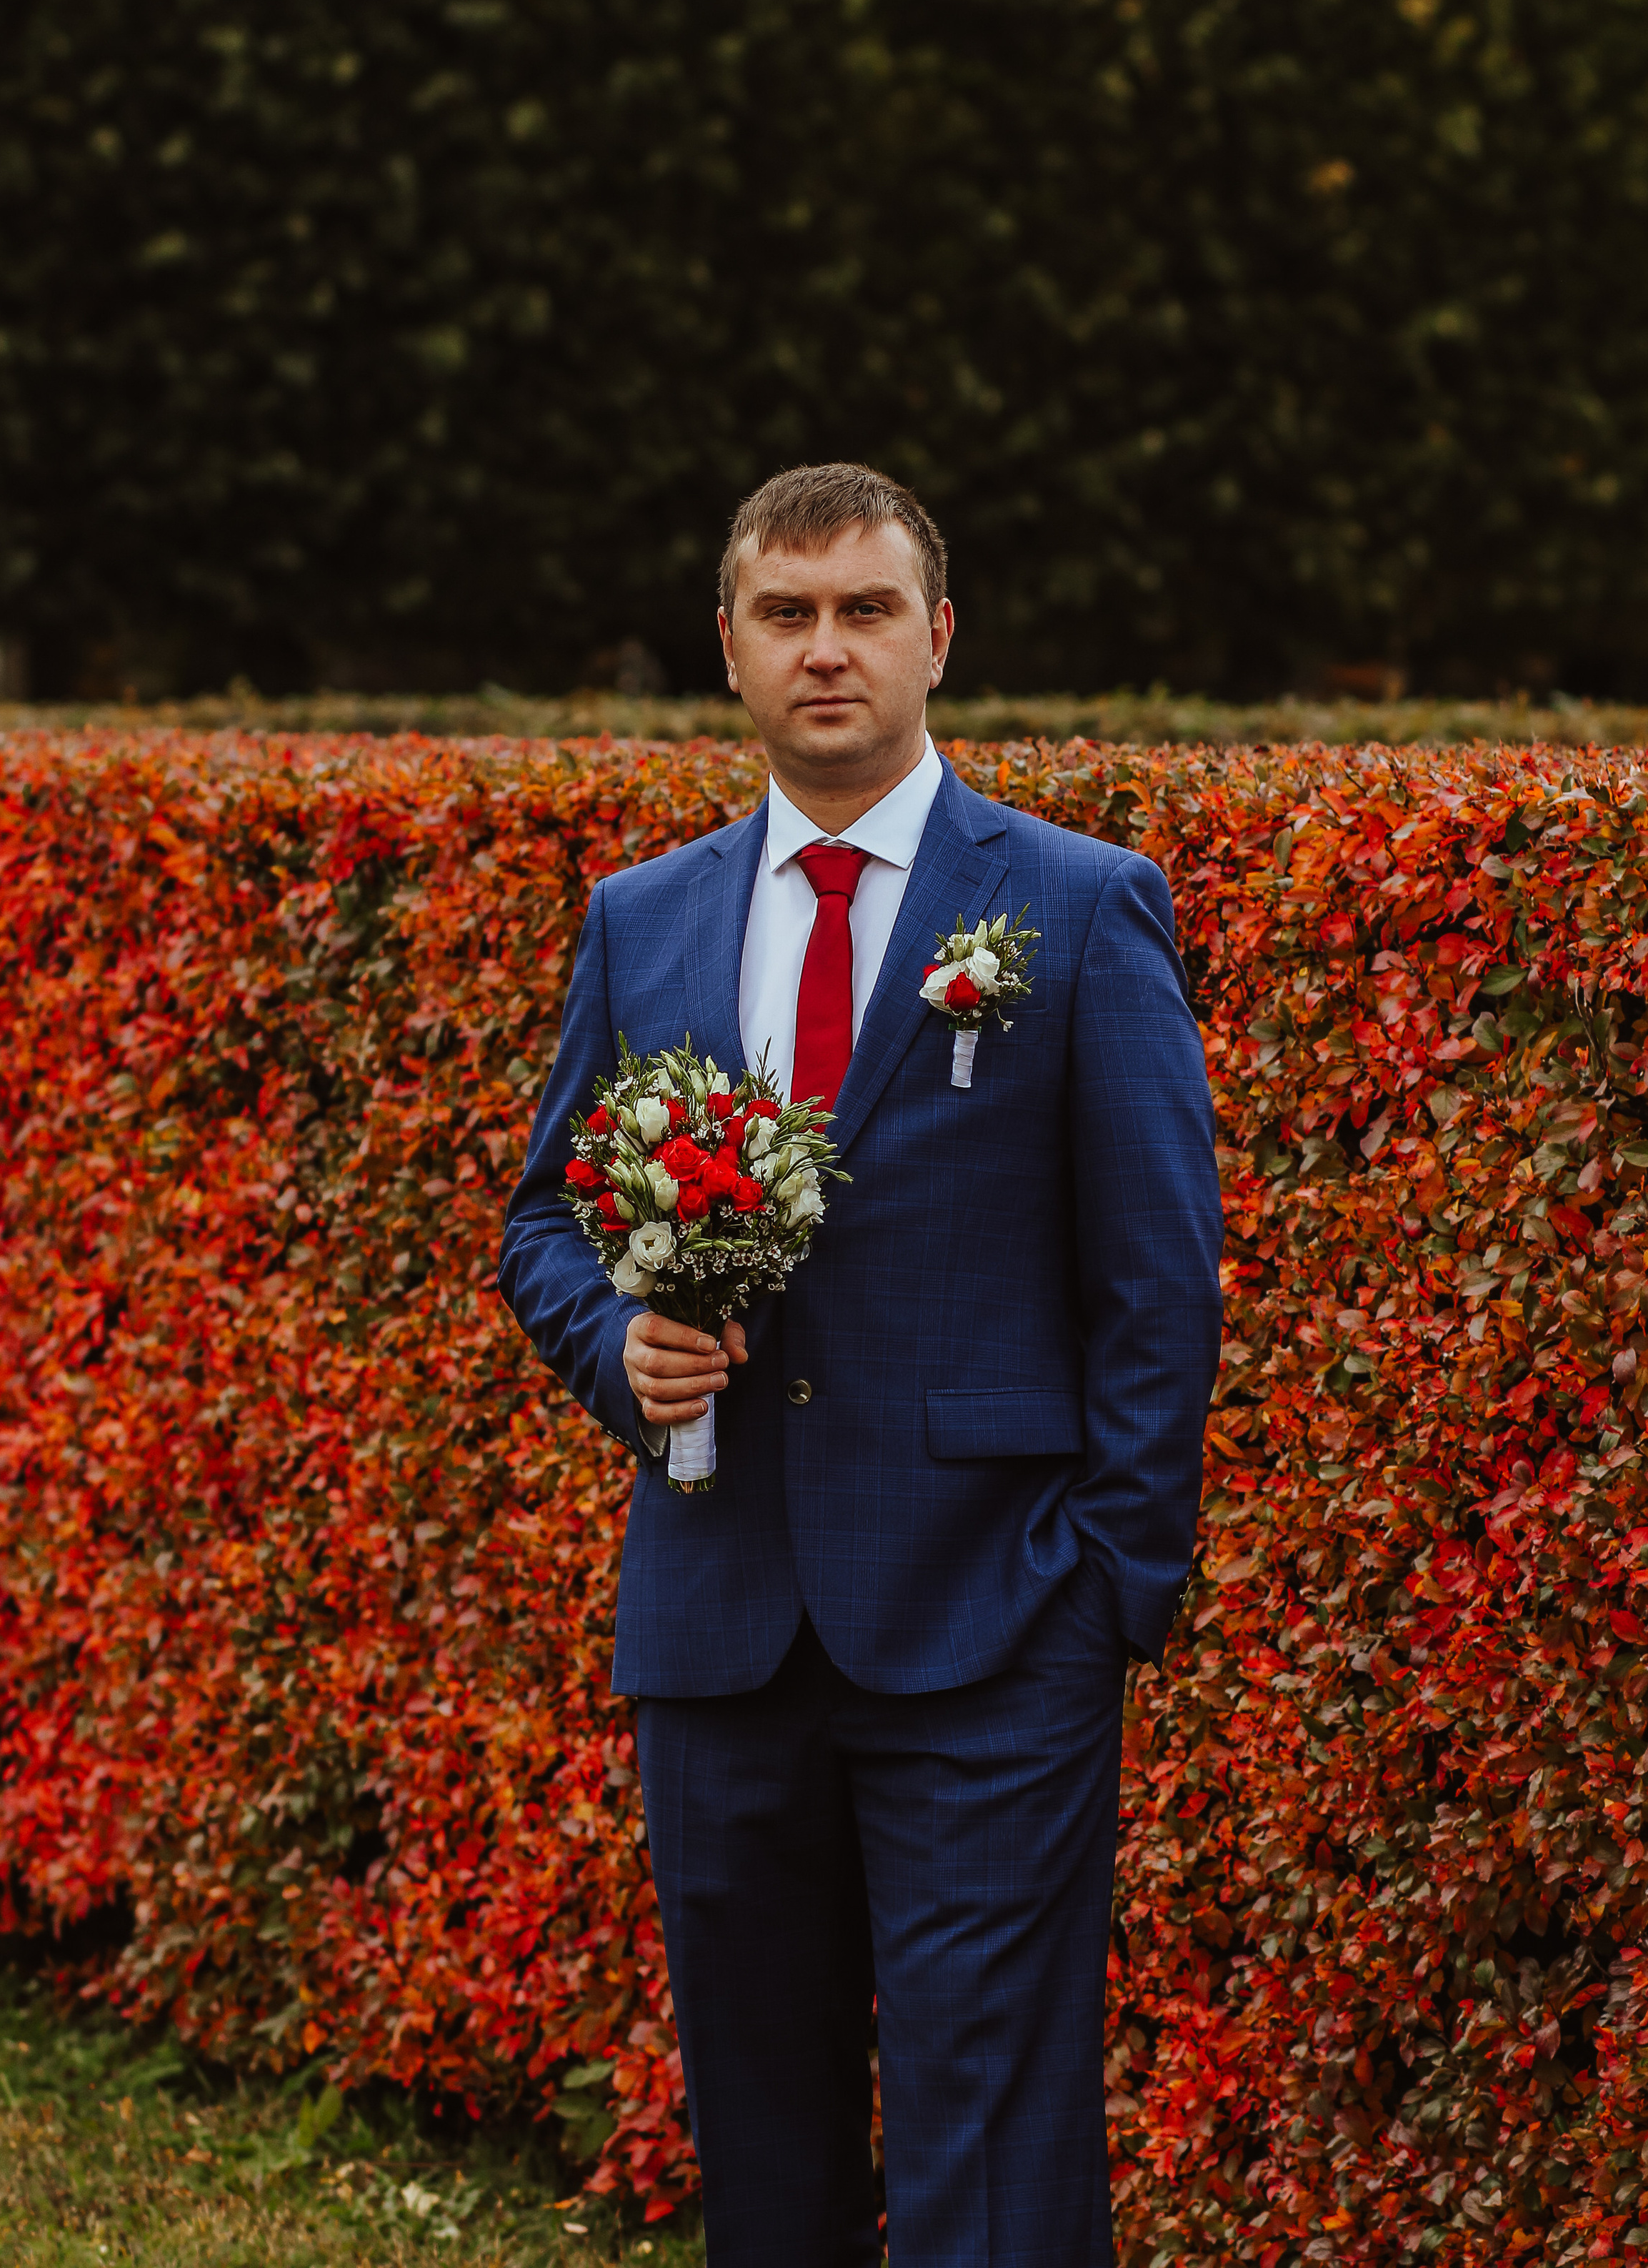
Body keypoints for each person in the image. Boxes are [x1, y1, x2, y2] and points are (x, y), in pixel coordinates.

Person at [499, 463, 1222, 2268]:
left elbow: (1157, 1280)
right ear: (729, 646)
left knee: (995, 2153)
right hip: (716, 1620)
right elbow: (543, 1221)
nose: (826, 650)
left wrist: (1104, 1592)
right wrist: (617, 1342)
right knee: (764, 2154)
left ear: (936, 637)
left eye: (865, 611)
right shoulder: (642, 917)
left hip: (996, 1627)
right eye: (788, 614)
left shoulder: (1076, 905)